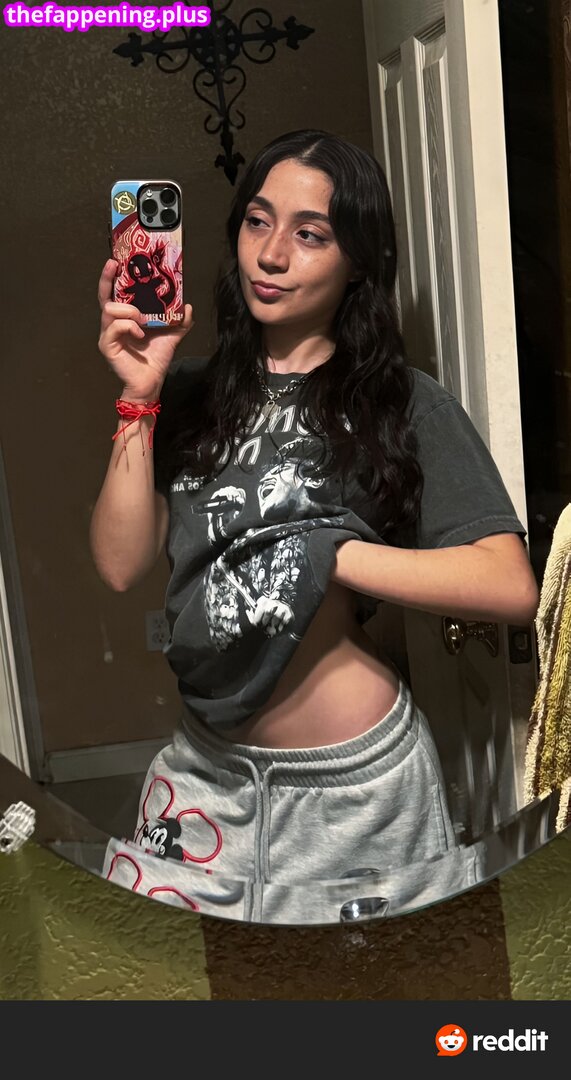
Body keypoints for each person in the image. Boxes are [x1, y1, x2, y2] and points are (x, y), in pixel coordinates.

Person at [91, 129, 539, 924]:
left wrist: (328, 550)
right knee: (182, 985)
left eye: (310, 234)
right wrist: (140, 395)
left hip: (358, 789)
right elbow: (121, 564)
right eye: (257, 222)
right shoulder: (186, 394)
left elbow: (506, 585)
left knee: (369, 996)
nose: (270, 255)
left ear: (356, 260)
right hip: (206, 776)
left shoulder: (402, 401)